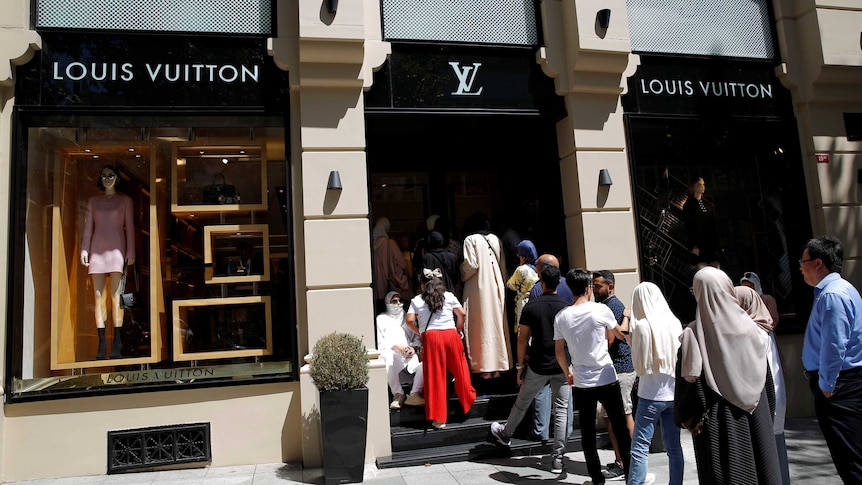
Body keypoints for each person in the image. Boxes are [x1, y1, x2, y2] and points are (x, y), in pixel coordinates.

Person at [677, 266, 781, 484]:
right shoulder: (753, 329)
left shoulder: (694, 334)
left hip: (720, 421)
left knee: (730, 472)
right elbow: (767, 379)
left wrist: (688, 419)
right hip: (757, 414)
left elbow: (690, 388)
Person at [489, 264, 572, 474]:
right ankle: (558, 458)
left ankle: (506, 434)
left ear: (541, 282)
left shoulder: (532, 307)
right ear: (559, 283)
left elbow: (522, 339)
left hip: (538, 363)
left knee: (522, 402)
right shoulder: (566, 306)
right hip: (562, 364)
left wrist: (519, 366)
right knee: (561, 409)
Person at [554, 268, 632, 485]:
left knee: (587, 433)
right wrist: (626, 317)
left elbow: (559, 351)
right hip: (606, 376)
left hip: (581, 380)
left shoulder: (562, 316)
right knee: (619, 426)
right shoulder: (601, 310)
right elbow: (619, 334)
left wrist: (567, 371)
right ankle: (631, 475)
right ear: (588, 287)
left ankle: (596, 479)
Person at [800, 236, 862, 483]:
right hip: (846, 384)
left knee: (850, 458)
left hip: (840, 388)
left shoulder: (832, 295)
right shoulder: (841, 289)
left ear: (817, 263)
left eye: (802, 261)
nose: (800, 267)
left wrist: (826, 386)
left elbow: (834, 346)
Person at [405, 269, 476, 429]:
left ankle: (438, 419)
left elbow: (409, 320)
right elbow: (462, 314)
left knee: (435, 377)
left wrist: (421, 331)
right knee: (460, 369)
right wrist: (457, 329)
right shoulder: (449, 296)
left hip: (431, 338)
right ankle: (468, 398)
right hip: (451, 335)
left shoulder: (417, 300)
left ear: (422, 284)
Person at [734, 284, 789, 485]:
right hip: (772, 398)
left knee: (768, 455)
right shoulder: (764, 328)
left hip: (763, 401)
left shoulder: (753, 332)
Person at [629, 282, 683, 485]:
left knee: (640, 448)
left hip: (650, 393)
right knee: (674, 447)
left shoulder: (641, 326)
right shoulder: (674, 322)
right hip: (674, 392)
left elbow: (639, 364)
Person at [80, 165, 135, 360]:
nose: (107, 178)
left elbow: (130, 228)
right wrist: (84, 249)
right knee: (98, 297)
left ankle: (117, 342)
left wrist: (131, 251)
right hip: (97, 250)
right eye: (103, 175)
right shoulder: (93, 201)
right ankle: (102, 342)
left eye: (111, 175)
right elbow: (88, 228)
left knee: (115, 297)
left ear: (117, 178)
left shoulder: (125, 201)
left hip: (117, 250)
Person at [592, 270, 635, 482]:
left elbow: (611, 340)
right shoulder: (608, 307)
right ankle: (622, 460)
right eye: (592, 285)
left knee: (623, 415)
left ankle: (630, 462)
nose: (594, 290)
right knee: (611, 417)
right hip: (616, 368)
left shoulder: (613, 306)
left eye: (598, 286)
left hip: (621, 368)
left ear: (610, 286)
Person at [530, 253, 575, 443]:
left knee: (542, 389)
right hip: (566, 346)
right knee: (565, 389)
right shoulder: (570, 285)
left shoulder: (537, 290)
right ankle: (567, 429)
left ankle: (541, 430)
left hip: (543, 345)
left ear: (541, 271)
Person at [460, 211, 510, 379]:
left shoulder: (470, 240)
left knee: (479, 324)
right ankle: (498, 366)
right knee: (496, 324)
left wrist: (460, 273)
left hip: (478, 287)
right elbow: (502, 266)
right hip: (496, 286)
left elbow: (471, 265)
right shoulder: (496, 239)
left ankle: (483, 368)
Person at [376, 291, 424, 410]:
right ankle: (398, 394)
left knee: (426, 364)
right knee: (386, 357)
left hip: (410, 356)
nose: (397, 304)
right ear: (388, 303)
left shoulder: (407, 319)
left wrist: (413, 348)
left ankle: (414, 394)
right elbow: (381, 343)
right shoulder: (382, 319)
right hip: (393, 355)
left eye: (400, 301)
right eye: (394, 301)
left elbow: (417, 338)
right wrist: (396, 346)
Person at [372, 217, 412, 312]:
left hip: (378, 285)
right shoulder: (390, 243)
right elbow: (402, 263)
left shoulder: (372, 245)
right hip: (391, 283)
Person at [682, 176, 720, 268]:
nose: (702, 186)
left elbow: (713, 224)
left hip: (710, 242)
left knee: (715, 268)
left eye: (703, 184)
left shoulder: (708, 204)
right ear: (694, 186)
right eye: (699, 184)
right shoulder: (689, 205)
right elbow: (689, 226)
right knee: (703, 269)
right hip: (699, 242)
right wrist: (693, 245)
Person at [506, 239, 539, 334]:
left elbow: (510, 285)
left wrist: (520, 265)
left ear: (523, 256)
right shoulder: (539, 266)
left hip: (524, 305)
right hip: (537, 302)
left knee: (523, 335)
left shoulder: (521, 270)